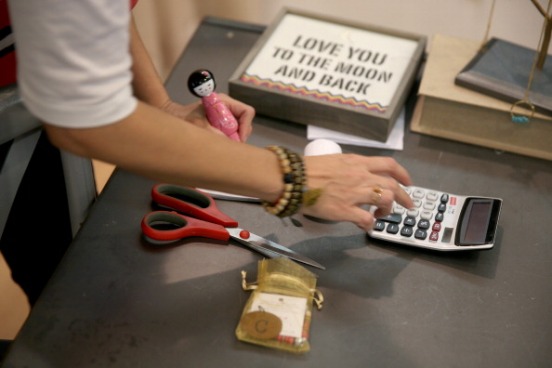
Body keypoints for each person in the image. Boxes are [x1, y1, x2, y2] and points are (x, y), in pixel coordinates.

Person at [2, 0, 413, 302]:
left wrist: (161, 108)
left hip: (38, 99)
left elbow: (93, 14)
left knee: (65, 280)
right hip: (27, 113)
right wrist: (293, 178)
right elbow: (84, 118)